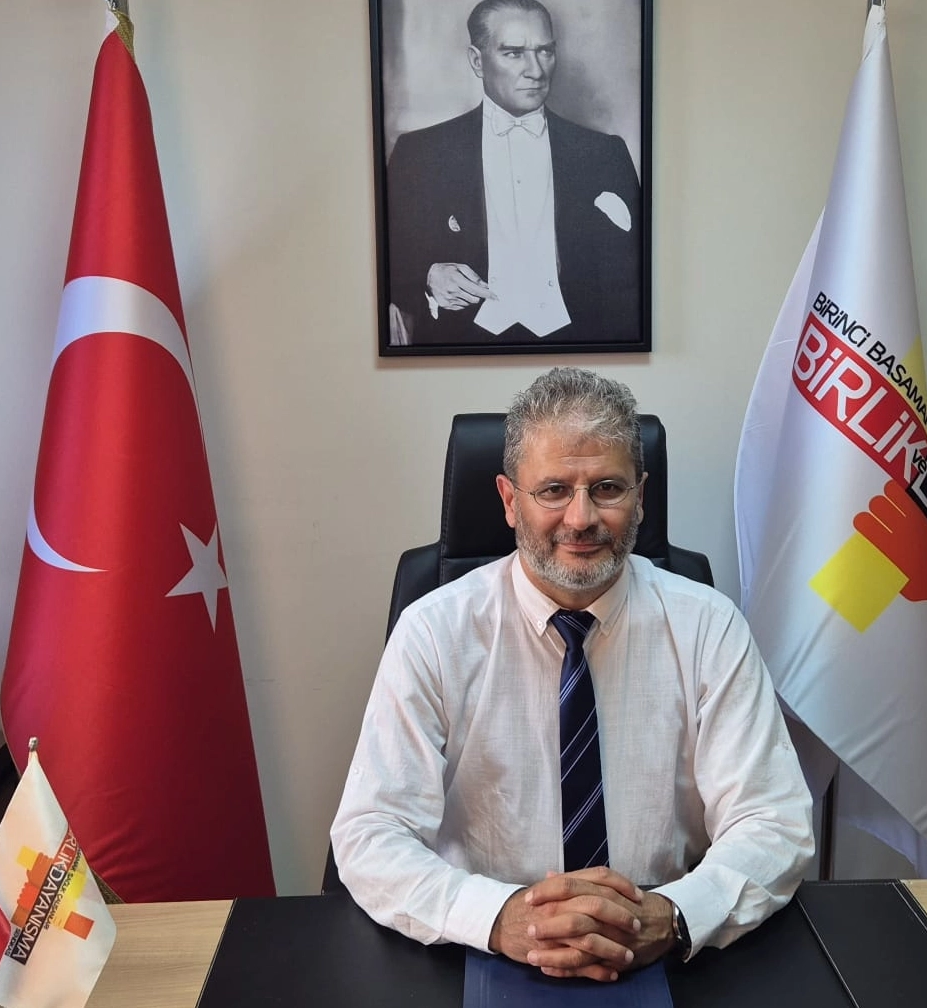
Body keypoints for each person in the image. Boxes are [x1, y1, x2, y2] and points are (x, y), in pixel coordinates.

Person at [331, 367, 814, 982]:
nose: (581, 518)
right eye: (554, 490)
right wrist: (500, 917)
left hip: (664, 944)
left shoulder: (709, 627)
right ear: (510, 501)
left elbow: (774, 821)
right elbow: (372, 830)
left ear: (641, 495)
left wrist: (675, 913)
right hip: (479, 948)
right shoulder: (434, 631)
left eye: (607, 488)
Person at [385, 0, 642, 347]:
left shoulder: (604, 154)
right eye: (514, 53)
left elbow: (634, 273)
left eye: (544, 51)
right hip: (459, 348)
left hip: (579, 346)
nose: (535, 70)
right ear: (477, 61)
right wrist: (428, 276)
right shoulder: (420, 153)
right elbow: (386, 261)